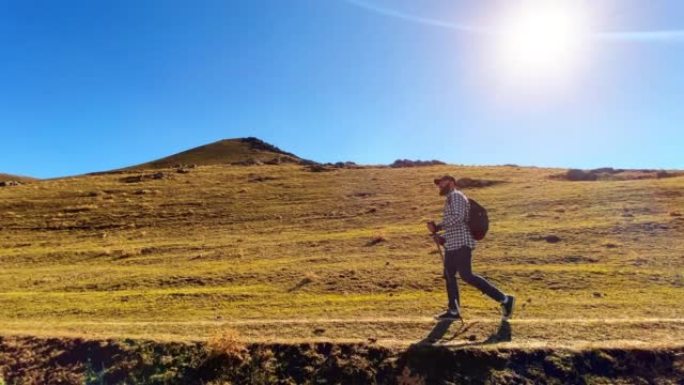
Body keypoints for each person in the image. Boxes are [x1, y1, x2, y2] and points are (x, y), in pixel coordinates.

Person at [427, 175, 515, 321]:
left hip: (462, 244)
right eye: (438, 184)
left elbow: (458, 218)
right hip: (453, 244)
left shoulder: (456, 196)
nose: (439, 185)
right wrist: (442, 238)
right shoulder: (450, 199)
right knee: (449, 276)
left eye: (442, 182)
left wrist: (438, 226)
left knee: (466, 275)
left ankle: (505, 299)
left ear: (451, 183)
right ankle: (453, 310)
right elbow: (456, 226)